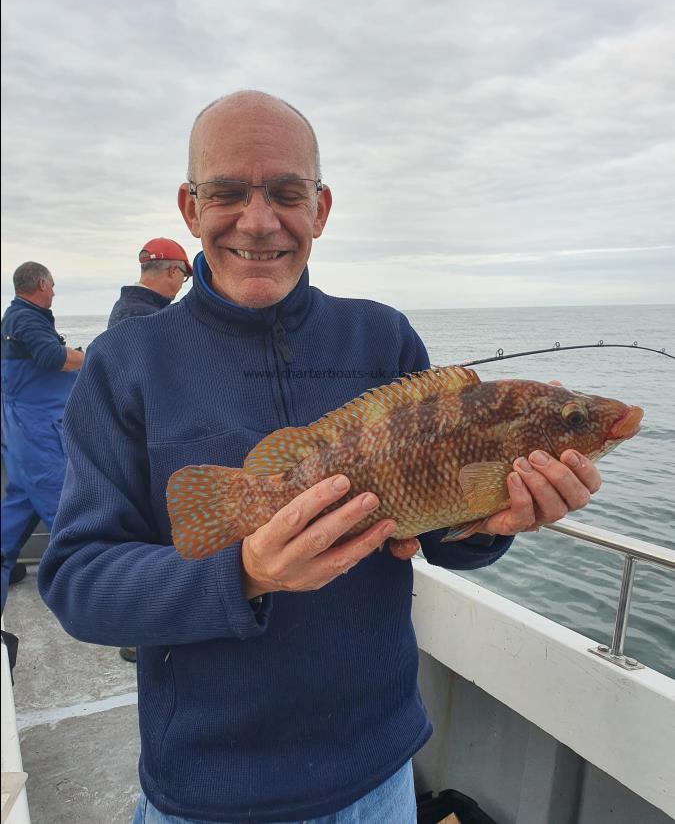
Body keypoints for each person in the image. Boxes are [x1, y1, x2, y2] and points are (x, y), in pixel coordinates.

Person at [39, 92, 602, 824]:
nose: (258, 219)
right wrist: (242, 573)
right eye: (227, 192)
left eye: (285, 192)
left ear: (321, 208)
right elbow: (80, 584)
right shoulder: (124, 364)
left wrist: (496, 521)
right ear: (189, 207)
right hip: (209, 794)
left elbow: (430, 536)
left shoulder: (383, 340)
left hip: (381, 771)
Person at [107, 237, 193, 664]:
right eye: (182, 277)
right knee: (153, 538)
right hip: (153, 450)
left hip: (143, 447)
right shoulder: (147, 321)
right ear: (174, 272)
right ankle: (138, 637)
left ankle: (138, 634)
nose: (181, 287)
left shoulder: (126, 314)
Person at [1, 262, 84, 613]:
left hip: (22, 432)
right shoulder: (26, 318)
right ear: (39, 283)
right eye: (51, 284)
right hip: (37, 435)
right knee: (66, 511)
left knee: (17, 508)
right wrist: (88, 359)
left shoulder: (17, 318)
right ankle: (90, 590)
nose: (53, 291)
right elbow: (52, 358)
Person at [107, 237, 193, 329]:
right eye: (184, 276)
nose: (182, 283)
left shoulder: (123, 307)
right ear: (173, 271)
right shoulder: (152, 317)